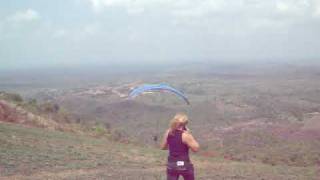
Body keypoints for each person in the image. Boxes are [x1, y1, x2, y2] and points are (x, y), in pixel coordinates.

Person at [160, 113, 200, 180]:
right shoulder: (185, 135)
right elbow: (196, 148)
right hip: (184, 164)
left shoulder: (168, 132)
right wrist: (189, 134)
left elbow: (163, 147)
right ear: (185, 124)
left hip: (171, 164)